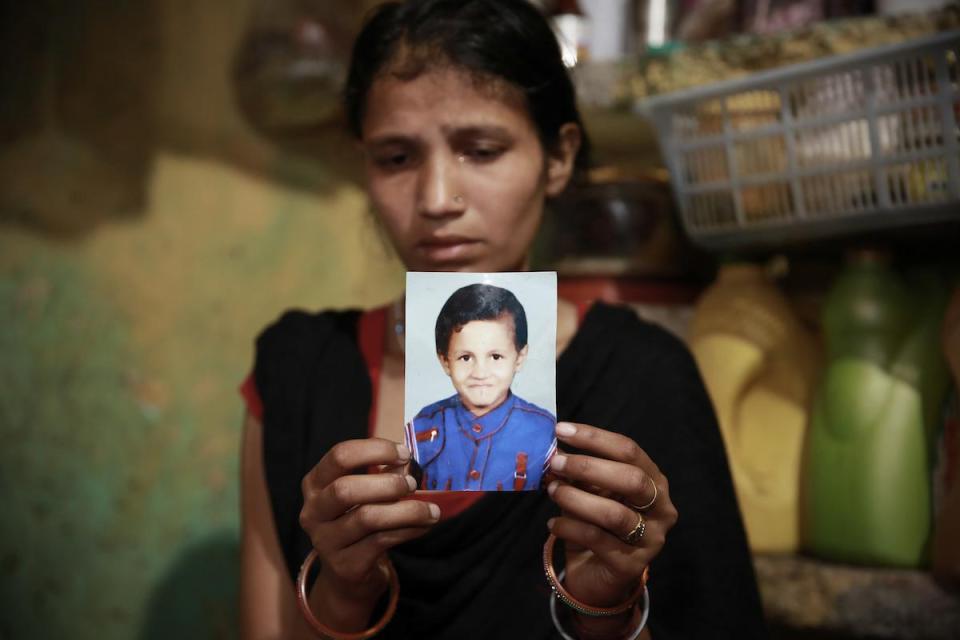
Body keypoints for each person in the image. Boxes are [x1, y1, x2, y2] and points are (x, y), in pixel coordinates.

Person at [239, 1, 767, 639]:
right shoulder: (297, 369)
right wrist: (344, 588)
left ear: (558, 157)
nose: (438, 199)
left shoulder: (643, 375)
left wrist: (605, 601)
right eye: (396, 158)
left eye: (482, 150)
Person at [409, 282, 556, 491]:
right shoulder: (422, 427)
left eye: (495, 356)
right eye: (466, 357)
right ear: (445, 361)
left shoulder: (544, 431)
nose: (479, 373)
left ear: (520, 358)